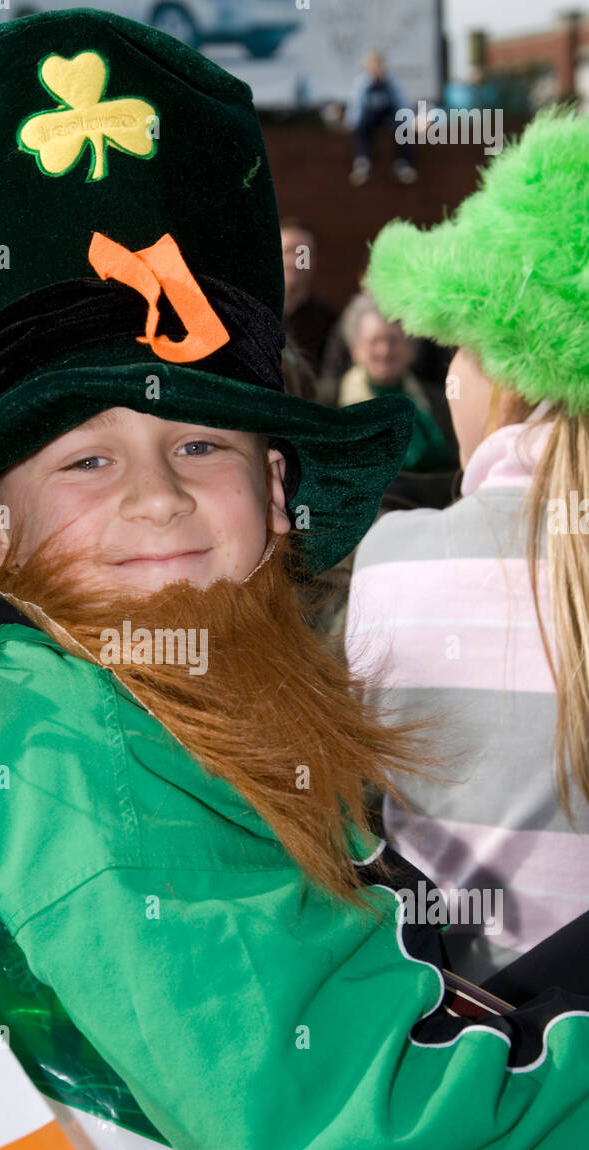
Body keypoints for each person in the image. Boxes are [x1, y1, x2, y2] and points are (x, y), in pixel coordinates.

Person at [0, 15, 589, 1150]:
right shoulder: (78, 768)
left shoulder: (155, 698)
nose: (158, 500)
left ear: (277, 481)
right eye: (85, 458)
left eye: (202, 446)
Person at [346, 108, 589, 985]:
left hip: (482, 1059)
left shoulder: (392, 561)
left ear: (508, 377)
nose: (447, 373)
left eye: (457, 346)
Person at [333, 290, 458, 503]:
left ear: (411, 347)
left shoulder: (436, 400)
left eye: (394, 340)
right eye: (374, 341)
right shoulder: (331, 403)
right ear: (356, 349)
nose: (385, 351)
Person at [344, 50, 417, 186]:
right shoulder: (362, 83)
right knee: (361, 127)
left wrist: (410, 120)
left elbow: (401, 103)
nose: (376, 69)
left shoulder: (391, 82)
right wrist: (351, 121)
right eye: (373, 65)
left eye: (378, 65)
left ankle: (403, 164)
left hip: (387, 115)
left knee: (401, 128)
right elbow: (356, 104)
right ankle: (363, 163)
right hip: (370, 115)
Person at [279, 219, 339, 383]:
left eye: (303, 253)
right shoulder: (255, 312)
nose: (295, 261)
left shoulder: (329, 320)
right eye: (289, 251)